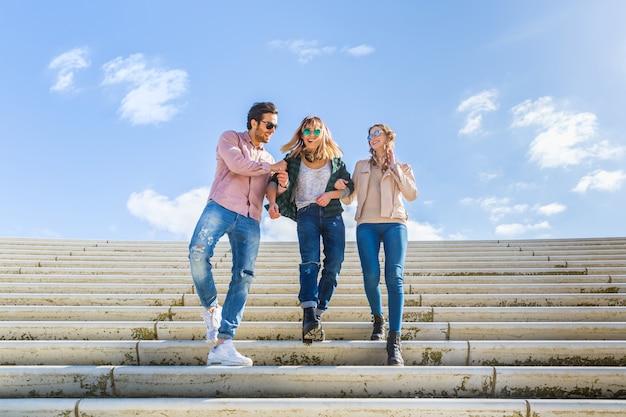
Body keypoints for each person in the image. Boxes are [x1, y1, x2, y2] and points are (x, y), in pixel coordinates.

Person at [189, 102, 288, 366]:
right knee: (197, 253)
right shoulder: (230, 138)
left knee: (243, 276)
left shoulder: (269, 160)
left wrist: (276, 196)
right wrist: (273, 168)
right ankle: (211, 308)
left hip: (250, 219)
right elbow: (237, 165)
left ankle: (224, 343)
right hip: (220, 207)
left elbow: (269, 186)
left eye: (275, 127)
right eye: (268, 125)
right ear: (254, 122)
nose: (272, 131)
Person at [266, 116, 354, 344]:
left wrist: (333, 193)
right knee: (310, 262)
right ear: (301, 135)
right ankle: (309, 313)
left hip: (333, 214)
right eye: (307, 132)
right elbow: (274, 181)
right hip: (306, 214)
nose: (311, 136)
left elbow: (350, 188)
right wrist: (273, 202)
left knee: (334, 263)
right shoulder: (293, 159)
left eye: (316, 131)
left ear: (323, 133)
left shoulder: (336, 160)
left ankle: (317, 312)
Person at [341, 123, 418, 366]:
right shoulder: (361, 166)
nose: (372, 137)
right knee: (371, 275)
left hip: (395, 223)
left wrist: (394, 167)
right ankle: (378, 318)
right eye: (369, 134)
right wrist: (341, 189)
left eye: (377, 133)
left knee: (394, 277)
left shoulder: (403, 167)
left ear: (387, 138)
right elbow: (348, 198)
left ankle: (394, 341)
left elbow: (412, 194)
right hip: (366, 224)